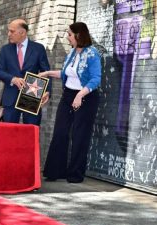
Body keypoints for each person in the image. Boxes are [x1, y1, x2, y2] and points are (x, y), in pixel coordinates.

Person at [38, 22, 101, 183]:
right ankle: (55, 171)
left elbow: (96, 79)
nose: (68, 37)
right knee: (60, 132)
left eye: (70, 34)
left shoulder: (92, 54)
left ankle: (75, 174)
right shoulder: (72, 53)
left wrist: (80, 94)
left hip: (86, 97)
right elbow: (66, 73)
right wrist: (47, 73)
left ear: (79, 36)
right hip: (68, 96)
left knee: (80, 136)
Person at [0, 18, 51, 126]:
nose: (8, 34)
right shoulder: (5, 50)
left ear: (23, 32)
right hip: (10, 96)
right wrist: (13, 79)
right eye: (9, 31)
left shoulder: (38, 48)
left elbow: (46, 71)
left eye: (12, 31)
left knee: (31, 132)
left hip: (32, 93)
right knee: (9, 133)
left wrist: (47, 91)